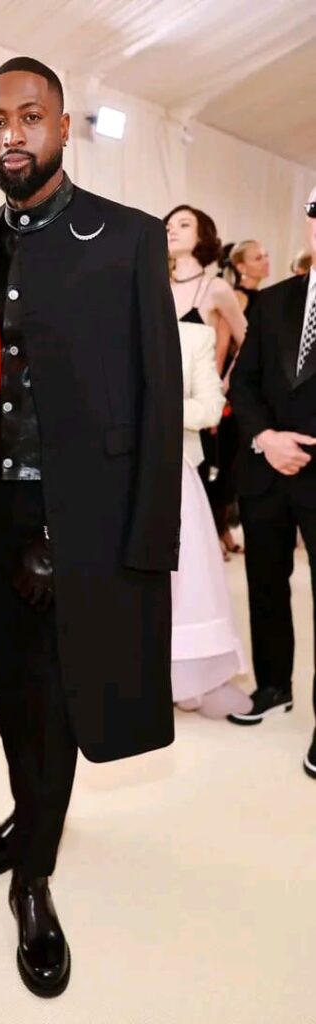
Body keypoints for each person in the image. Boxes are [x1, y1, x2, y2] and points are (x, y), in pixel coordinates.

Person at [0, 57, 182, 997]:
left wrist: (144, 543)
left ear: (63, 126)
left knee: (55, 693)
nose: (11, 134)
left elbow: (157, 399)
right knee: (7, 685)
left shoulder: (124, 239)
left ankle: (33, 873)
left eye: (29, 117)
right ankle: (27, 812)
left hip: (77, 522)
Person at [227, 186, 316, 782]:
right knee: (264, 582)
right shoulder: (275, 300)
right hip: (266, 470)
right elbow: (245, 383)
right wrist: (267, 440)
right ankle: (273, 685)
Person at [172, 318, 250, 717]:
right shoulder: (100, 329)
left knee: (188, 583)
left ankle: (187, 677)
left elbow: (211, 407)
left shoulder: (194, 336)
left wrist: (155, 401)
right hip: (109, 477)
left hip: (175, 472)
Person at [165, 206, 247, 556]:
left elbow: (250, 341)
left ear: (203, 236)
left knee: (194, 491)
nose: (173, 230)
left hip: (194, 407)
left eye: (184, 225)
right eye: (168, 225)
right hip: (156, 401)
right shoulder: (156, 283)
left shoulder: (215, 289)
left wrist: (226, 381)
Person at [225, 239, 270, 314]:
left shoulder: (261, 296)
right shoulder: (237, 297)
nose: (266, 262)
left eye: (266, 256)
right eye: (258, 258)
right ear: (241, 268)